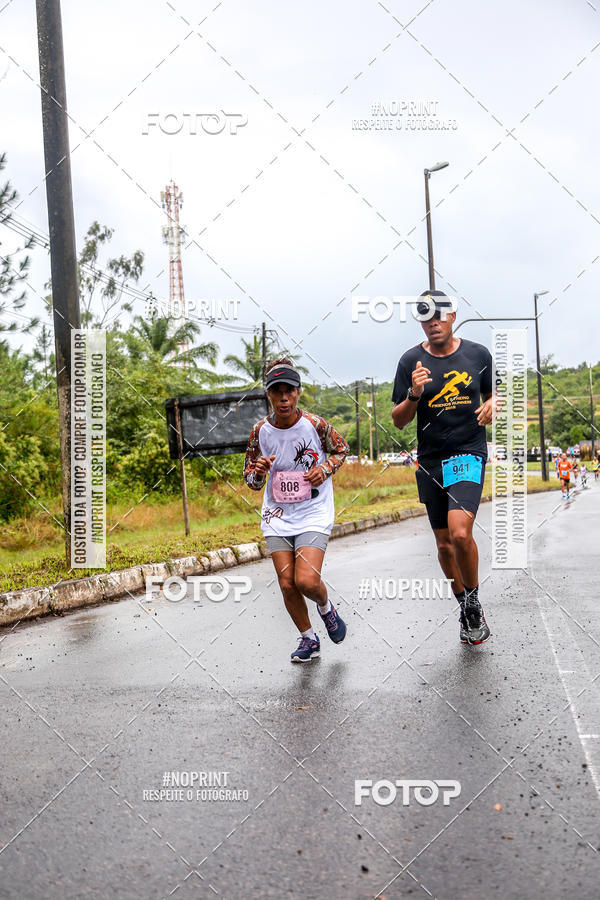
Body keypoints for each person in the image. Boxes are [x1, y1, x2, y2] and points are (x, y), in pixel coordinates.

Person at [391, 291, 495, 646]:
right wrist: (414, 394)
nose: (432, 322)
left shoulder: (478, 354)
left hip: (467, 452)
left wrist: (493, 404)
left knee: (460, 533)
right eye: (424, 316)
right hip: (431, 460)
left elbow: (494, 393)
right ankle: (464, 606)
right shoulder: (410, 361)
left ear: (452, 316)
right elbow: (399, 420)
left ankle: (474, 600)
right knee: (445, 545)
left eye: (438, 315)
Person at [244, 358, 350, 662]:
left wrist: (325, 468)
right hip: (276, 515)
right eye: (276, 391)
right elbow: (250, 480)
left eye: (289, 390)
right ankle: (308, 639)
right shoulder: (259, 432)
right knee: (287, 582)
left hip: (313, 511)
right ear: (268, 395)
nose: (283, 398)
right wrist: (259, 473)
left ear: (298, 392)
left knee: (306, 580)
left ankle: (326, 608)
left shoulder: (315, 425)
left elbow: (341, 449)